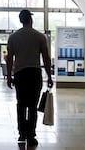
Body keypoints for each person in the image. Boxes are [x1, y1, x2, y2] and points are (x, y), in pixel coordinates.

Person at [6, 9, 53, 147]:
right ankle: (31, 135)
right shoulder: (39, 36)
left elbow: (9, 59)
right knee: (32, 106)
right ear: (30, 19)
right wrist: (49, 76)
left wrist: (9, 76)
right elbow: (45, 58)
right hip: (34, 74)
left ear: (21, 20)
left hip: (20, 75)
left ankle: (22, 133)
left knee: (21, 104)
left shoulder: (13, 37)